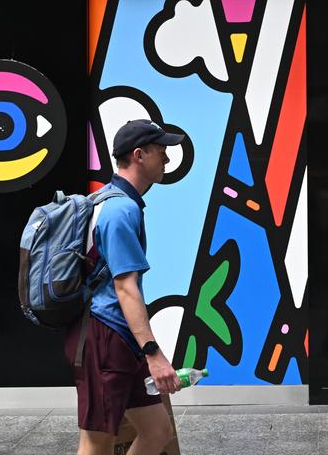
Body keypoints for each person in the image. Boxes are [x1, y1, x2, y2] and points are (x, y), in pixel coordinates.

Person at [68, 119, 185, 455]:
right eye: (161, 151)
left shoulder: (111, 200)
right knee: (97, 441)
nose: (167, 159)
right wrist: (154, 353)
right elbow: (126, 288)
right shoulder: (120, 210)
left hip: (119, 337)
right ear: (139, 155)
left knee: (157, 430)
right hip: (105, 336)